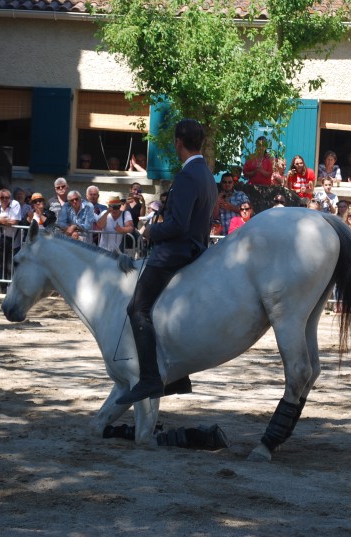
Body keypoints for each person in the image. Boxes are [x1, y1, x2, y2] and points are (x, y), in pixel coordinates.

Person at [117, 119, 217, 405]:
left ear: (178, 142)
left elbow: (178, 225)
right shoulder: (206, 174)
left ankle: (150, 378)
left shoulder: (187, 176)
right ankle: (176, 376)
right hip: (195, 250)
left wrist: (150, 231)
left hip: (175, 252)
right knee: (158, 311)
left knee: (137, 308)